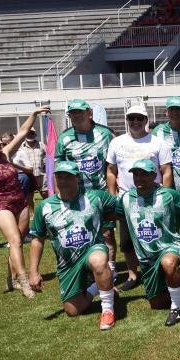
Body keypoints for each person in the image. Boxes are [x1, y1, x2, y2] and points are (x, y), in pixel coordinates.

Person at [28, 161, 118, 329]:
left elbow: (122, 209)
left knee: (98, 259)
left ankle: (107, 311)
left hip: (93, 250)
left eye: (68, 177)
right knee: (72, 310)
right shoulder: (44, 207)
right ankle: (97, 287)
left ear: (77, 178)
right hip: (68, 263)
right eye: (59, 176)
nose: (63, 181)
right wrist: (33, 271)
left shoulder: (96, 197)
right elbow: (37, 239)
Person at [0, 105, 50, 297]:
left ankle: (11, 279)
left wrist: (33, 114)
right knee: (15, 241)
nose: (0, 142)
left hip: (20, 203)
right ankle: (24, 282)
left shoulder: (5, 154)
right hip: (1, 206)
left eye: (0, 139)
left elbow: (23, 132)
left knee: (17, 242)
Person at [107, 103, 173, 290]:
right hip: (128, 199)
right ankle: (133, 275)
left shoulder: (158, 142)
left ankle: (159, 270)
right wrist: (113, 197)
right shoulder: (116, 142)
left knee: (156, 235)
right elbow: (111, 171)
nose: (135, 122)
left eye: (139, 118)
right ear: (126, 120)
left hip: (154, 198)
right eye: (131, 118)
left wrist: (165, 196)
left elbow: (166, 170)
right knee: (127, 241)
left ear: (146, 120)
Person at [115, 159, 180, 326]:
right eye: (136, 174)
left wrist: (171, 232)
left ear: (155, 176)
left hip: (169, 247)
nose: (139, 178)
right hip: (146, 258)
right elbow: (119, 215)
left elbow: (179, 214)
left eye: (144, 174)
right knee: (157, 304)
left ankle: (176, 308)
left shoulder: (170, 195)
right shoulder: (126, 199)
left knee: (168, 264)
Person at [55, 99, 117, 284]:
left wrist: (113, 191)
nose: (76, 115)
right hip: (76, 196)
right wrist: (59, 196)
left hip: (101, 193)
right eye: (72, 113)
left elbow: (113, 165)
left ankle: (110, 269)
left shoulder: (105, 134)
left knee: (106, 233)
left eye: (80, 112)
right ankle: (87, 270)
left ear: (89, 112)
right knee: (81, 233)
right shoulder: (64, 138)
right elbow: (58, 169)